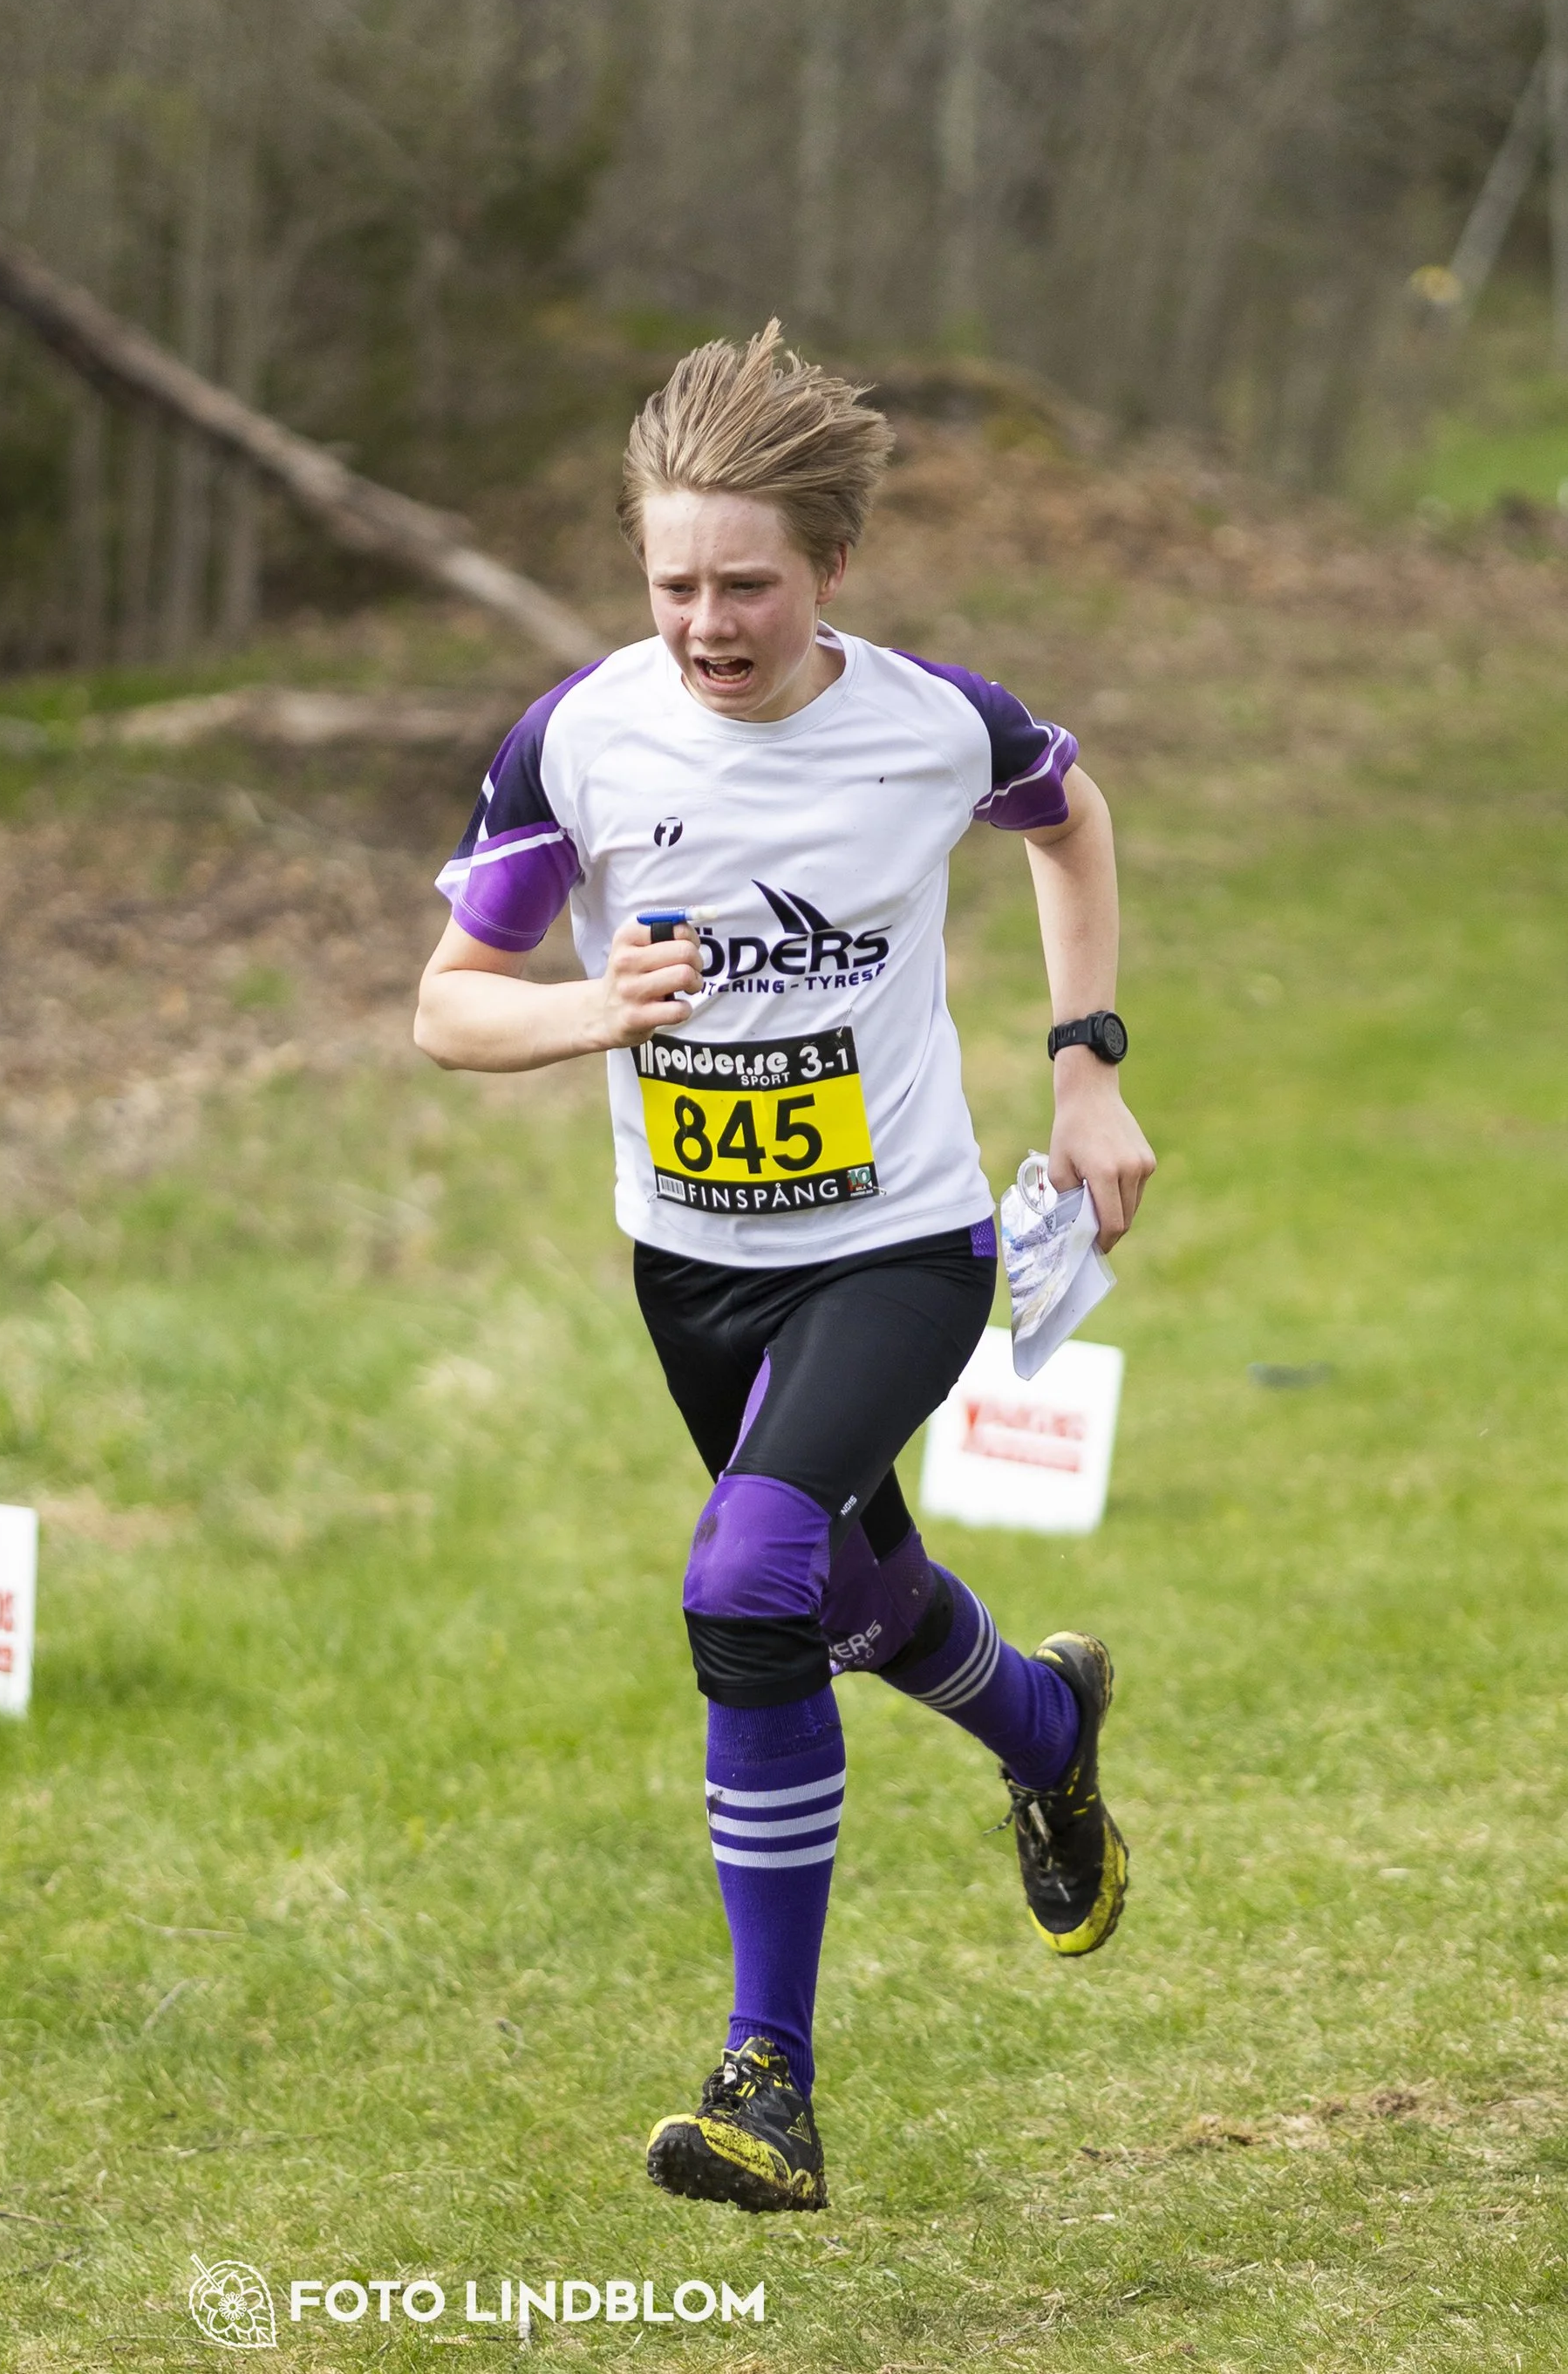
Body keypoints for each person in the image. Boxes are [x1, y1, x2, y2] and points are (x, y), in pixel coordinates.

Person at [412, 324, 1156, 2215]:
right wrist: (594, 1005)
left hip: (895, 1244)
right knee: (841, 1597)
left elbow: (1065, 819)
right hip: (691, 1267)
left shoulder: (929, 723)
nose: (704, 622)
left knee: (741, 1577)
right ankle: (1045, 1729)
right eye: (671, 581)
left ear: (828, 566)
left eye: (744, 582)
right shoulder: (577, 736)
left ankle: (769, 2086)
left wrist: (1085, 1070)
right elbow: (446, 1008)